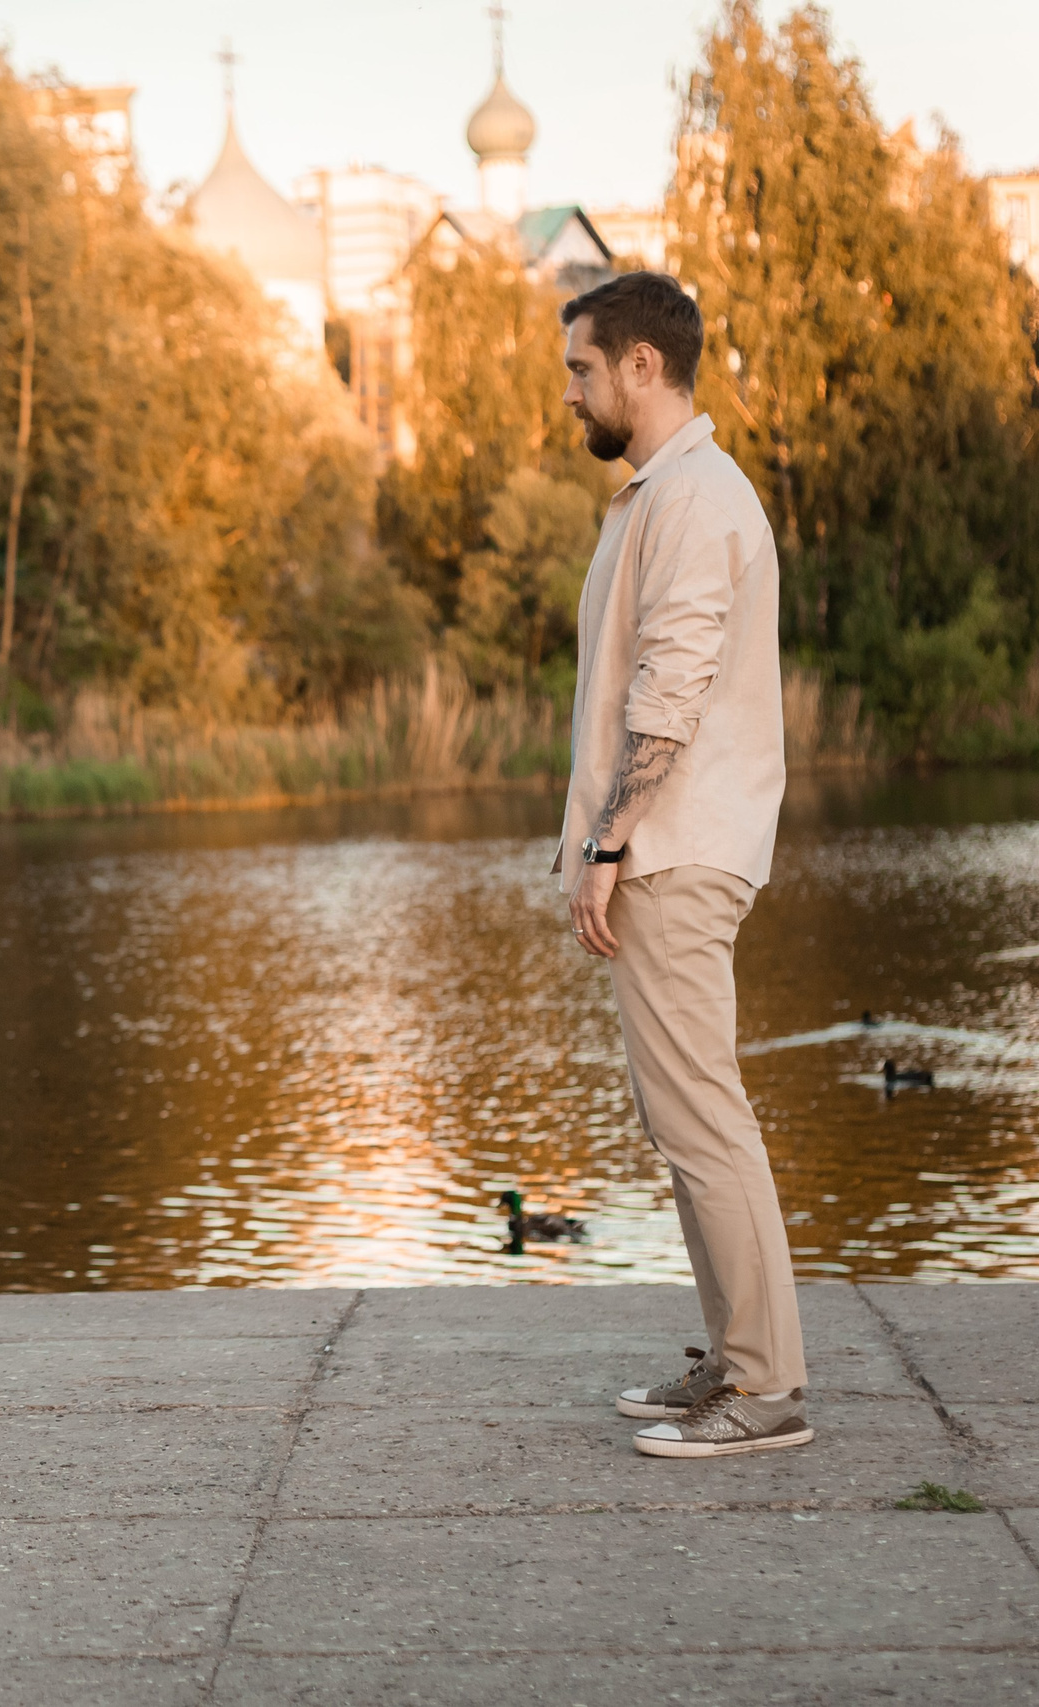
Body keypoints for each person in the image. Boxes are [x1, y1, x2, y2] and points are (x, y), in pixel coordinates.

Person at [554, 271, 809, 1458]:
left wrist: (610, 842)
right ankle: (732, 1359)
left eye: (581, 369)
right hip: (664, 845)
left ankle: (765, 1387)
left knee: (702, 1118)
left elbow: (672, 686)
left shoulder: (696, 498)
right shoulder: (663, 494)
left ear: (641, 366)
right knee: (681, 1117)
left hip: (673, 847)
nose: (572, 393)